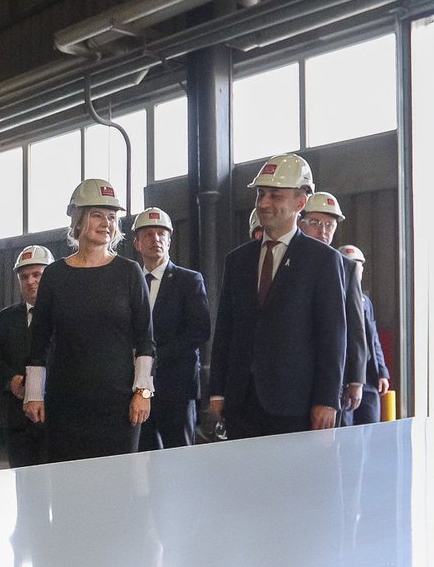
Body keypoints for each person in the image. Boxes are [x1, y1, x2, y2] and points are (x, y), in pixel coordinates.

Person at [209, 154, 347, 439]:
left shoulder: (322, 260)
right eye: (261, 194)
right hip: (241, 402)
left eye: (275, 195)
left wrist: (327, 399)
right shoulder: (237, 260)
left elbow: (332, 336)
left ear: (300, 203)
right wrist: (217, 391)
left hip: (296, 404)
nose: (263, 203)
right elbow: (225, 330)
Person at [22, 179, 155, 461]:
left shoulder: (129, 272)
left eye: (112, 217)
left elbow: (145, 340)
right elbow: (39, 340)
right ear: (78, 218)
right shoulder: (55, 275)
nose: (106, 223)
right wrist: (33, 394)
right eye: (97, 215)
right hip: (65, 405)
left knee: (117, 480)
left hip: (119, 406)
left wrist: (143, 392)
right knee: (66, 481)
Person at [131, 207, 210, 450]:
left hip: (177, 388)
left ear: (169, 240)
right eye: (148, 234)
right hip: (137, 389)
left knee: (180, 457)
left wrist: (153, 358)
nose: (155, 239)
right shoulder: (130, 283)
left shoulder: (189, 280)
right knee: (144, 457)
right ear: (137, 243)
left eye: (161, 234)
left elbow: (200, 330)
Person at [298, 190, 367, 424]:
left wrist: (356, 380)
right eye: (315, 223)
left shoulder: (346, 268)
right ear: (300, 221)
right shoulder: (285, 260)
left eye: (329, 225)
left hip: (332, 375)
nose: (323, 231)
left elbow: (356, 326)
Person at [0, 245, 53, 468]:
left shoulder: (66, 316)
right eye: (24, 276)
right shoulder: (4, 319)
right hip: (17, 423)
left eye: (37, 274)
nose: (30, 281)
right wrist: (11, 380)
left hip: (56, 421)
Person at [339, 245, 391, 424]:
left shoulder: (365, 301)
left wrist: (382, 371)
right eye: (350, 265)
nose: (355, 269)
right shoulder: (334, 300)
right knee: (346, 427)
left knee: (370, 424)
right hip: (345, 378)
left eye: (358, 265)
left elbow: (373, 338)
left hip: (369, 378)